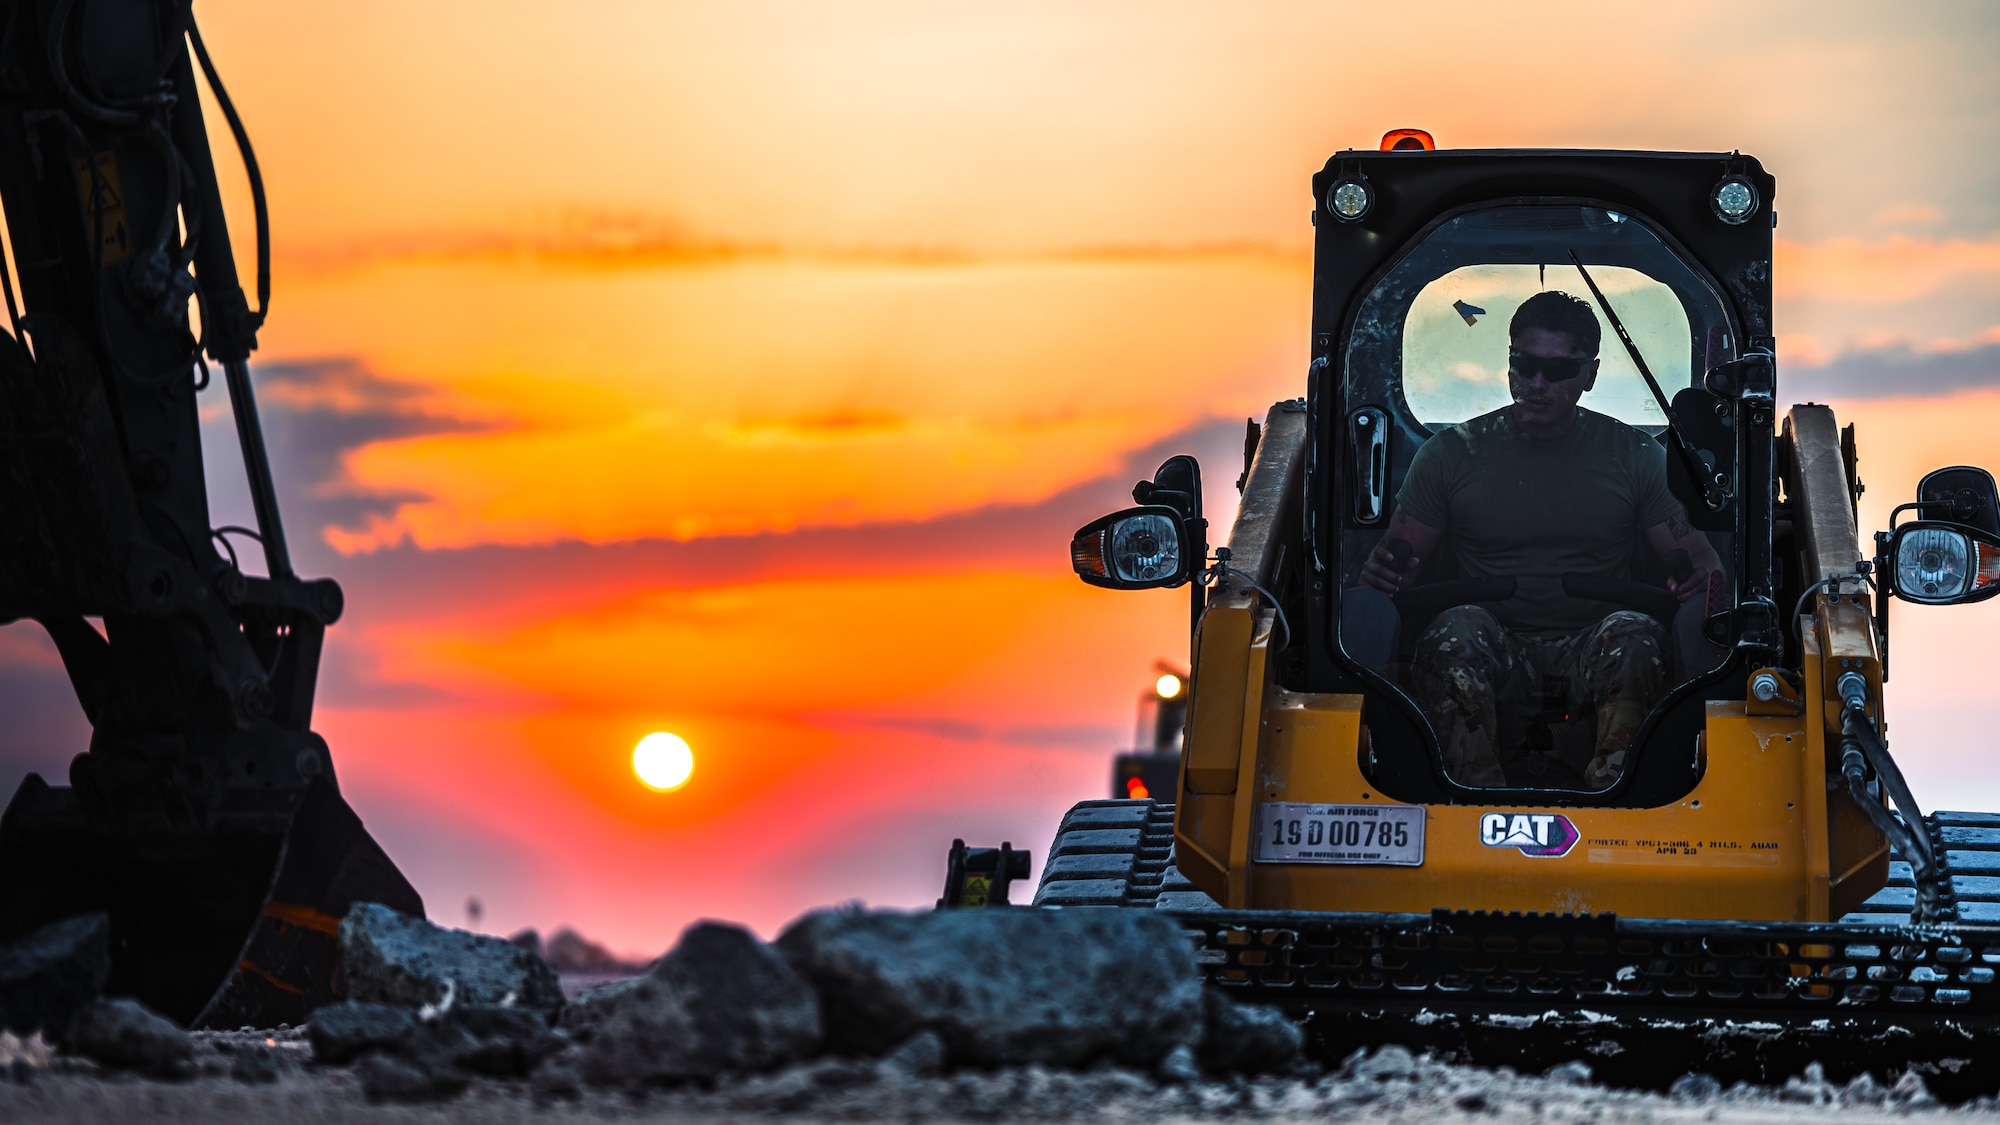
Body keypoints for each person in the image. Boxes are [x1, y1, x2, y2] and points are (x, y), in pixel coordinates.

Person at [1358, 290, 1721, 790]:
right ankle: (1472, 800)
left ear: (1589, 375)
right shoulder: (1450, 457)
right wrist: (1380, 574)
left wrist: (1696, 583)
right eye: (1523, 364)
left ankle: (1618, 798)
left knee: (1635, 634)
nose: (1536, 383)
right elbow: (1391, 578)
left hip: (1594, 645)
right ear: (1508, 362)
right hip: (1494, 644)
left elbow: (1705, 572)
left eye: (1557, 371)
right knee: (1455, 630)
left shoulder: (1636, 457)